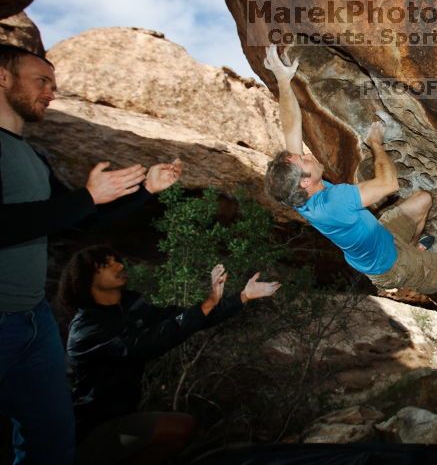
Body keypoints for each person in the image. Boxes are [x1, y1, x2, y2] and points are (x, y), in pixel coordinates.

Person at [0, 43, 182, 464]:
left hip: (34, 321)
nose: (51, 91)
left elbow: (77, 219)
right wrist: (85, 197)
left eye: (54, 84)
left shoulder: (32, 156)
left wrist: (146, 189)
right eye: (41, 80)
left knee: (52, 437)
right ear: (3, 77)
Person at [262, 45, 437, 317]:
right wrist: (376, 144)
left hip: (381, 239)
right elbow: (389, 184)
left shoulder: (295, 195)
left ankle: (414, 243)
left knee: (423, 200)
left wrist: (283, 80)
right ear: (305, 183)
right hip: (393, 266)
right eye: (304, 161)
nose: (306, 155)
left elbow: (290, 128)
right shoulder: (335, 201)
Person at [59, 245, 281, 465]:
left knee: (180, 430)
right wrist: (210, 301)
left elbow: (187, 319)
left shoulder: (129, 309)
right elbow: (148, 343)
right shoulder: (87, 330)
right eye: (107, 265)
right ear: (87, 277)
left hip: (121, 419)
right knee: (177, 428)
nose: (119, 265)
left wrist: (243, 296)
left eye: (117, 260)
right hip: (90, 430)